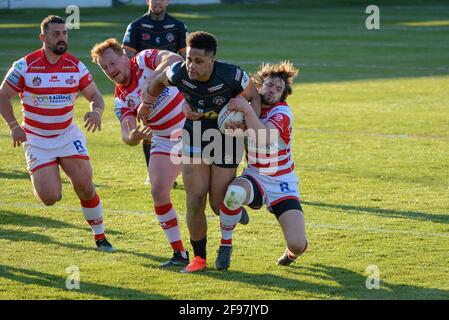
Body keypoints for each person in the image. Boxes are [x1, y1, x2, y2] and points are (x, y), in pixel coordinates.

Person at [139, 31, 261, 273]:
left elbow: (254, 96)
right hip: (194, 131)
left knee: (218, 204)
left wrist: (247, 122)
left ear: (212, 59)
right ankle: (199, 259)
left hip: (226, 135)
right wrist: (147, 102)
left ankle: (232, 212)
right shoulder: (179, 72)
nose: (191, 66)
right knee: (194, 200)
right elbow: (157, 81)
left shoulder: (231, 74)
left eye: (199, 61)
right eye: (188, 59)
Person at [0, 15, 114, 252]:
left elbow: (95, 95)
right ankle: (42, 177)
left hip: (67, 135)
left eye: (64, 33)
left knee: (85, 185)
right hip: (36, 139)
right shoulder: (25, 66)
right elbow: (2, 95)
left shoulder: (75, 66)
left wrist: (96, 111)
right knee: (51, 197)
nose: (62, 38)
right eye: (56, 34)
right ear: (43, 37)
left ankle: (100, 237)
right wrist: (13, 125)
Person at [91, 38, 189, 267]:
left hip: (193, 128)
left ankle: (230, 205)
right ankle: (179, 253)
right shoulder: (120, 98)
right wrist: (134, 137)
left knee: (206, 194)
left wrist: (150, 87)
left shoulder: (143, 60)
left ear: (124, 57)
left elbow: (175, 59)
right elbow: (127, 134)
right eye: (104, 68)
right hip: (165, 140)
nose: (111, 70)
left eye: (113, 63)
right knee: (158, 191)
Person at [214, 61, 308, 270]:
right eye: (269, 85)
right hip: (255, 175)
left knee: (298, 244)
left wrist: (246, 112)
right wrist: (231, 125)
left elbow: (263, 136)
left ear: (283, 94)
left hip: (282, 182)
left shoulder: (282, 114)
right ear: (259, 85)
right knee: (233, 195)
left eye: (278, 89)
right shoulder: (250, 105)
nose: (273, 91)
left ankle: (292, 252)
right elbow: (236, 130)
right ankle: (225, 245)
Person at [123, 0, 188, 183]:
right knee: (149, 128)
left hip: (172, 85)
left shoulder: (178, 26)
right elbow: (127, 59)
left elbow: (185, 57)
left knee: (180, 125)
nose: (157, 2)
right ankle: (154, 172)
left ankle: (178, 169)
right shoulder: (135, 26)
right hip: (144, 87)